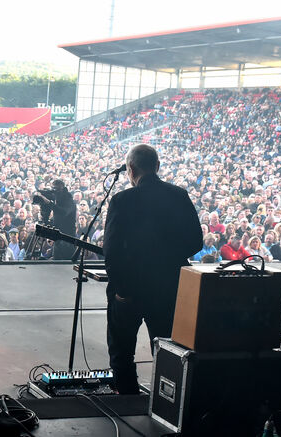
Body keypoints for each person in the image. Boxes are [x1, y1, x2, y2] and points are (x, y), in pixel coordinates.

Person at [103, 144, 202, 395]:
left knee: (121, 351)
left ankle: (128, 402)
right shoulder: (179, 195)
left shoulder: (122, 200)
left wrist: (122, 290)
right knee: (167, 351)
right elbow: (195, 242)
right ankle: (164, 405)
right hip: (168, 290)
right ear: (157, 167)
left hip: (130, 291)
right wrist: (167, 258)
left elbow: (111, 250)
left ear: (131, 169)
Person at [35, 179, 76, 260]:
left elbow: (64, 212)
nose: (54, 192)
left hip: (67, 239)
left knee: (63, 263)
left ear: (63, 190)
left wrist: (49, 203)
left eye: (56, 189)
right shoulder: (57, 200)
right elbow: (57, 219)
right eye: (53, 189)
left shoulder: (69, 200)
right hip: (58, 237)